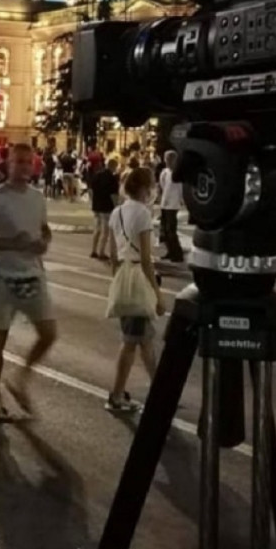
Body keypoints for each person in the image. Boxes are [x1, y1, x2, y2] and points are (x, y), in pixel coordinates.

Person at [0, 143, 57, 420]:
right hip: (1, 276)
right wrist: (8, 243)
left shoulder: (37, 197)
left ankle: (21, 380)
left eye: (28, 163)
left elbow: (44, 229)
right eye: (18, 162)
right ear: (8, 164)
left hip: (32, 274)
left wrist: (43, 242)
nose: (24, 167)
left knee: (49, 333)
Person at [106, 166, 165, 411]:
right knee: (132, 341)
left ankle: (161, 390)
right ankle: (116, 396)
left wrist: (118, 279)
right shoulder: (142, 214)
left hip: (123, 275)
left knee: (144, 339)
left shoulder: (117, 212)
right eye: (152, 185)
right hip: (138, 279)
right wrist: (158, 295)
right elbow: (145, 258)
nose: (154, 190)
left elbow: (112, 255)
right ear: (143, 188)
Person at [89, 158, 120, 260]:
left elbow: (91, 190)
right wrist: (117, 207)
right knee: (105, 231)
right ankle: (101, 252)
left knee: (97, 228)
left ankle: (93, 250)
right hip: (106, 206)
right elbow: (113, 195)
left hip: (96, 206)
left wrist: (92, 202)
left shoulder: (97, 175)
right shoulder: (112, 178)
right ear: (113, 166)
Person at [158, 149, 185, 263]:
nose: (167, 161)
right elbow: (162, 185)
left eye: (169, 159)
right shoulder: (164, 172)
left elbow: (181, 189)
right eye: (166, 159)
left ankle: (177, 253)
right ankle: (170, 251)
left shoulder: (178, 173)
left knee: (171, 230)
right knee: (164, 230)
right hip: (165, 203)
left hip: (173, 205)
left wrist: (181, 200)